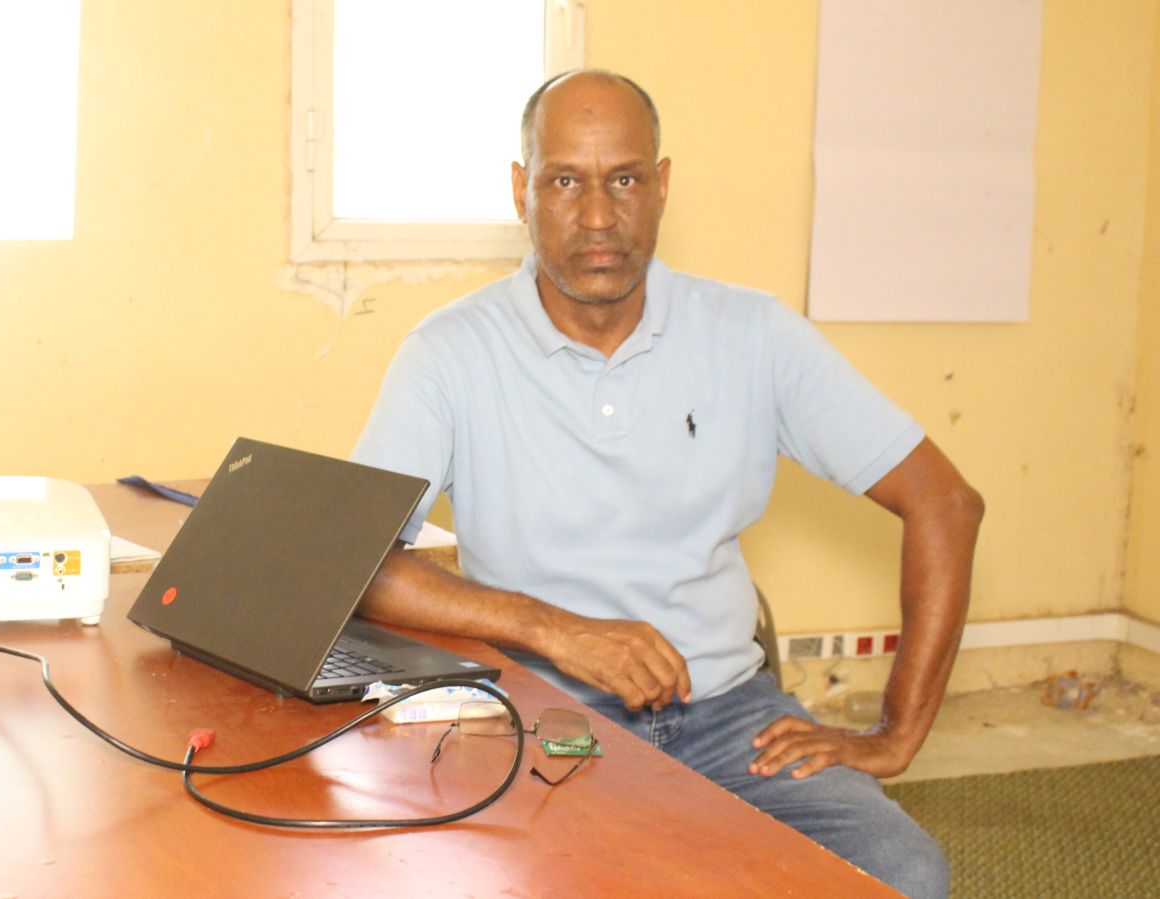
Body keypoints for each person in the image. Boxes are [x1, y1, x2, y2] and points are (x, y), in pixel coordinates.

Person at [350, 69, 984, 898]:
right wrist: (556, 630)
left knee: (904, 872)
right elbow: (355, 565)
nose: (598, 216)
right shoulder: (448, 354)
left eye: (624, 179)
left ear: (661, 186)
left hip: (731, 717)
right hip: (544, 722)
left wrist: (896, 731)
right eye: (565, 181)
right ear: (520, 192)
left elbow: (946, 502)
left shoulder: (752, 333)